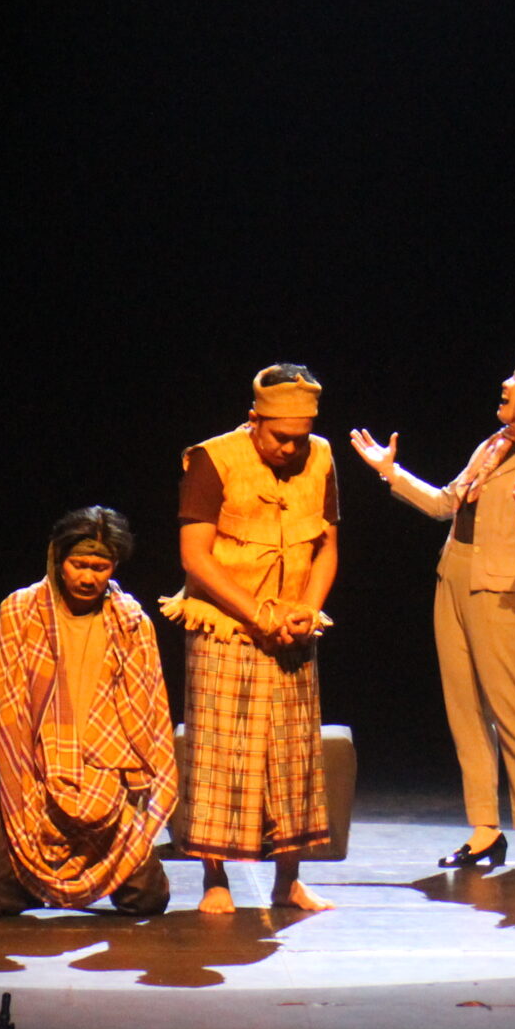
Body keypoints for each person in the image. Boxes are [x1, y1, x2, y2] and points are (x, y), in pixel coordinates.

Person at [349, 352, 515, 873]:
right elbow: (445, 504)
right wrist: (391, 472)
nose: (507, 383)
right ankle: (484, 830)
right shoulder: (493, 444)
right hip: (452, 577)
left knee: (510, 709)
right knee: (465, 709)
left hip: (501, 589)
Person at [161, 364, 341, 914]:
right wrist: (258, 614)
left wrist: (307, 609)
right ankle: (215, 880)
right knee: (220, 755)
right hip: (226, 625)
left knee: (293, 758)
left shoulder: (321, 457)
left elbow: (327, 547)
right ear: (254, 420)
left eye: (299, 438)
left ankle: (289, 882)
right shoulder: (212, 458)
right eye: (279, 437)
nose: (290, 448)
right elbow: (195, 557)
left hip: (292, 628)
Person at [0, 507, 177, 917]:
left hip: (107, 775)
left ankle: (72, 877)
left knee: (148, 899)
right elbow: (10, 711)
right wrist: (26, 779)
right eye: (79, 565)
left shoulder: (132, 622)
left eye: (100, 567)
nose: (88, 578)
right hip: (36, 771)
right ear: (58, 559)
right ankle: (39, 881)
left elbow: (149, 711)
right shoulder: (20, 611)